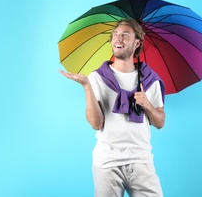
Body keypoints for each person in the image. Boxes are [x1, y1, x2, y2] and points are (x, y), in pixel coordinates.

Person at [59, 19, 165, 197]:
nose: (118, 38)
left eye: (125, 35)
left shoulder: (150, 80)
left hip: (141, 160)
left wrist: (147, 105)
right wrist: (86, 86)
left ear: (137, 42)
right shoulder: (97, 78)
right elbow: (96, 123)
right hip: (107, 161)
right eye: (115, 35)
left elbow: (160, 122)